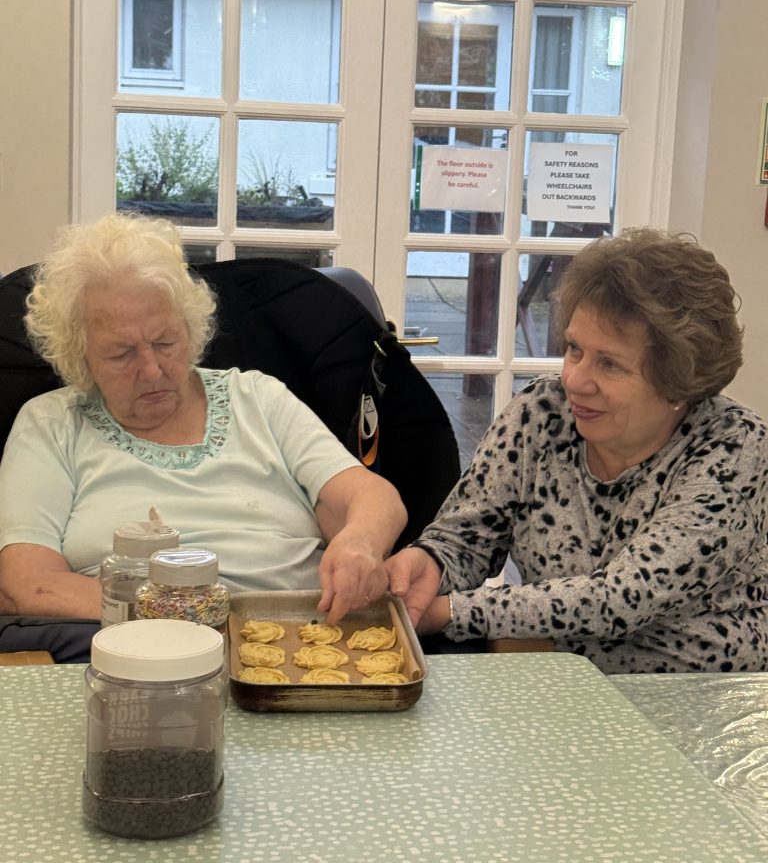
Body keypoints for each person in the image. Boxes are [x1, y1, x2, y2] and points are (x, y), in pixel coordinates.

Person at [387, 228, 768, 673]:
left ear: (677, 381)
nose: (575, 381)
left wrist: (451, 613)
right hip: (565, 682)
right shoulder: (541, 414)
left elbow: (625, 598)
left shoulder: (735, 446)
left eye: (610, 364)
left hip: (700, 700)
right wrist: (428, 560)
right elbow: (469, 535)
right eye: (574, 349)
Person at [0, 214, 406, 625]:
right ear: (78, 355)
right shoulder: (52, 423)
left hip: (292, 633)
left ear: (190, 329)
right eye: (121, 353)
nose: (153, 370)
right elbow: (28, 583)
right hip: (130, 642)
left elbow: (373, 498)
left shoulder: (257, 397)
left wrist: (361, 540)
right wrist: (187, 615)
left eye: (165, 342)